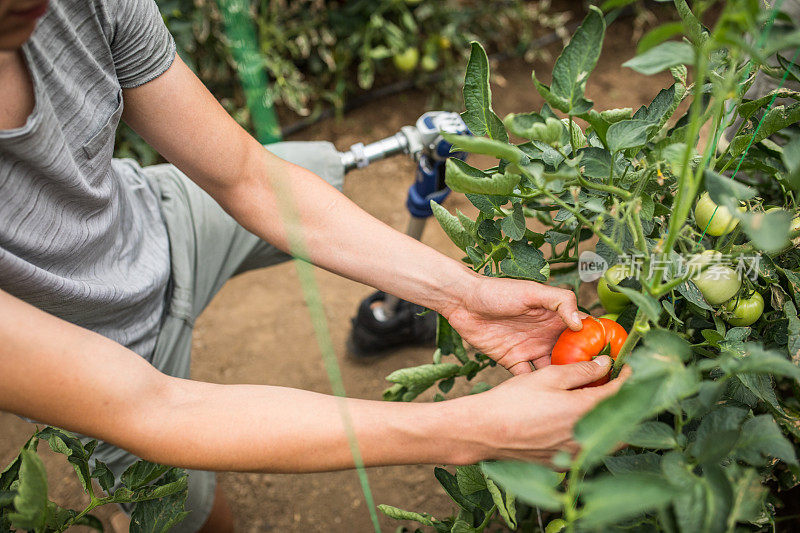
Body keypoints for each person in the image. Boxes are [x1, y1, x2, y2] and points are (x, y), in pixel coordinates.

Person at [0, 1, 627, 531]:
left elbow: (247, 177)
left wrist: (460, 292)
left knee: (316, 166)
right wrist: (472, 428)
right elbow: (154, 407)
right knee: (190, 510)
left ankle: (393, 303)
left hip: (150, 219)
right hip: (93, 355)